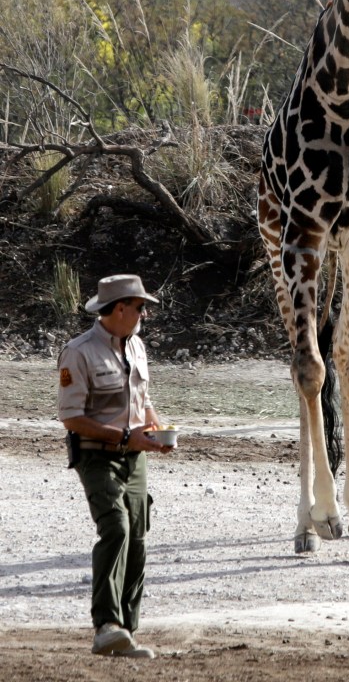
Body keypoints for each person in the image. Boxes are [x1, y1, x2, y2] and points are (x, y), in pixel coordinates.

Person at [58, 274, 174, 659]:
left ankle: (126, 630)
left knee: (138, 536)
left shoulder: (137, 346)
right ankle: (105, 626)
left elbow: (144, 399)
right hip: (96, 456)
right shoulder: (79, 352)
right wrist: (124, 437)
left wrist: (155, 427)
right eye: (140, 307)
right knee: (116, 527)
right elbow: (72, 417)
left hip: (135, 457)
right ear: (120, 308)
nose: (144, 314)